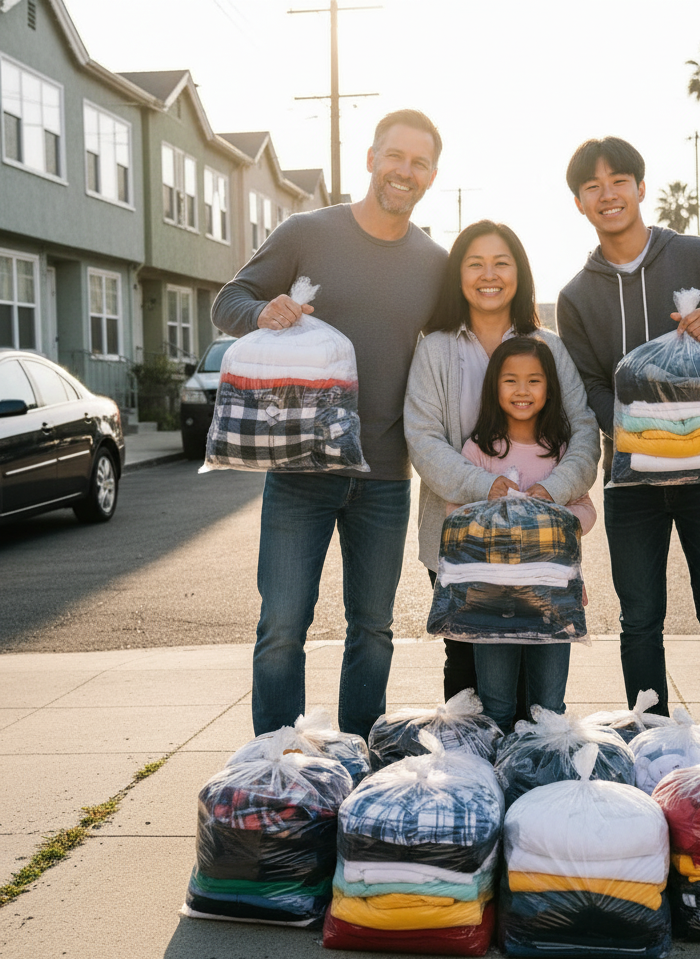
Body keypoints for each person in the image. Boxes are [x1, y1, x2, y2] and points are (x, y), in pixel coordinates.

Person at [211, 109, 447, 740]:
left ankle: (358, 758)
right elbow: (227, 302)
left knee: (372, 627)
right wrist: (266, 310)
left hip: (385, 476)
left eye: (419, 163)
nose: (405, 171)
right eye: (395, 156)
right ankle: (275, 763)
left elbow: (466, 344)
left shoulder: (433, 262)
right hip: (300, 468)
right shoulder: (307, 232)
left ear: (431, 176)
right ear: (370, 158)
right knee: (283, 625)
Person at [556, 136, 700, 719]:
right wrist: (649, 430)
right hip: (633, 479)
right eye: (592, 186)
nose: (608, 194)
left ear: (641, 188)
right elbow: (588, 389)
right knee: (639, 619)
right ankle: (650, 737)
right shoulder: (576, 295)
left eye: (618, 181)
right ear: (579, 202)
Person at [404, 220, 600, 703]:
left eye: (501, 262)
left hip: (543, 543)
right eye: (475, 263)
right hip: (461, 536)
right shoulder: (435, 348)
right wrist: (483, 488)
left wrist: (550, 496)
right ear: (459, 275)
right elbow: (423, 438)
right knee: (467, 658)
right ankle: (473, 768)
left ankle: (532, 763)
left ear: (519, 272)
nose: (488, 274)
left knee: (539, 655)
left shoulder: (549, 346)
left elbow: (584, 429)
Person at [457, 337, 596, 732]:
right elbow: (457, 515)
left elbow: (586, 509)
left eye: (534, 380)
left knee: (549, 706)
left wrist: (551, 512)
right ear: (494, 387)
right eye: (510, 380)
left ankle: (542, 779)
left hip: (553, 596)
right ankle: (501, 779)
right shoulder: (480, 451)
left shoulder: (560, 449)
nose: (522, 390)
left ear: (549, 387)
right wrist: (492, 508)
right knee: (497, 704)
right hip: (491, 600)